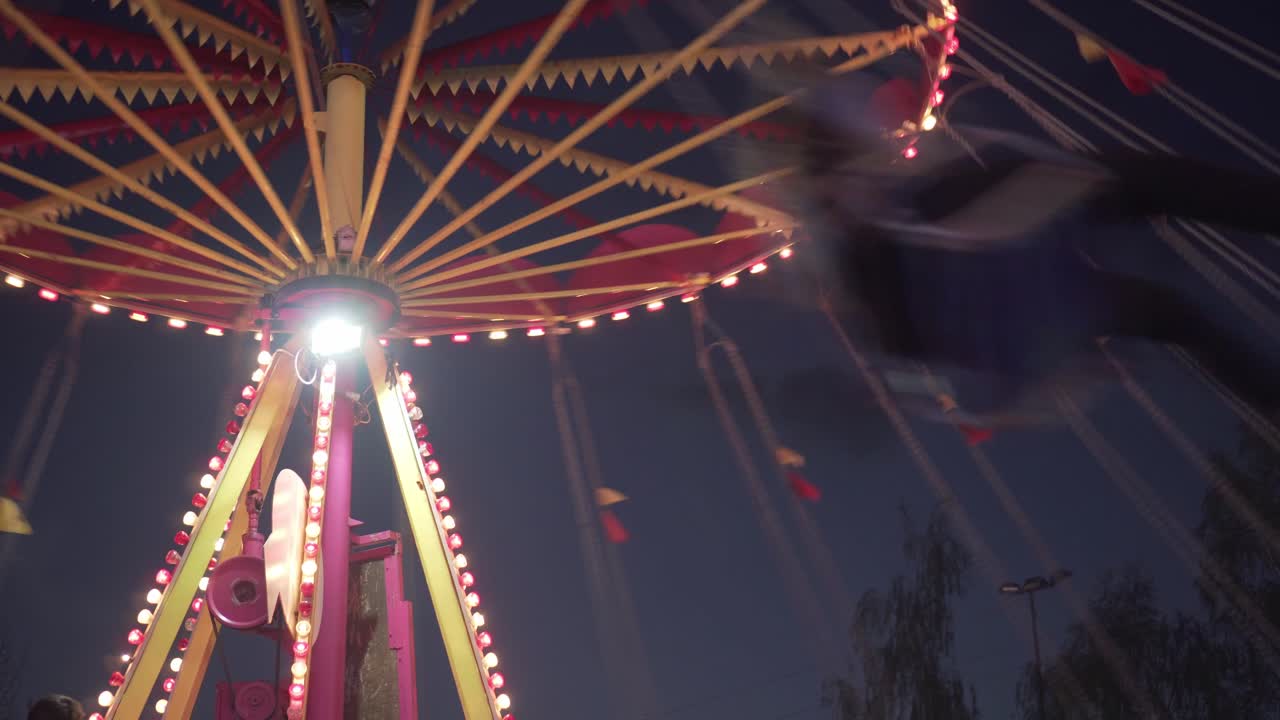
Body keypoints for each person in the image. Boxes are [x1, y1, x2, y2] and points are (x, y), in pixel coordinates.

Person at [786, 73, 1280, 425]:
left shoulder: (881, 245)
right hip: (1033, 250)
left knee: (1172, 306)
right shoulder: (890, 230)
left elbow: (920, 372)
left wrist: (1026, 386)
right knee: (1162, 199)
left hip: (1039, 294)